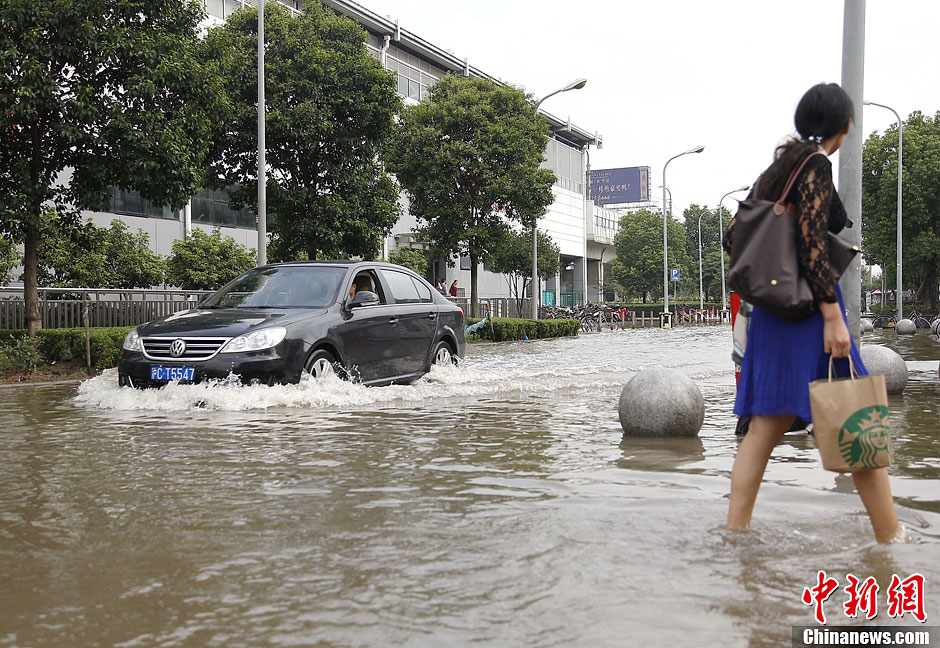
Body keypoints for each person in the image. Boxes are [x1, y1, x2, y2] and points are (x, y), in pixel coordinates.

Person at [723, 83, 900, 542]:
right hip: (809, 313)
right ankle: (891, 537)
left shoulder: (778, 167)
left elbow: (733, 236)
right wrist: (832, 316)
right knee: (857, 417)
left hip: (770, 313)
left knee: (765, 425)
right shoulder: (817, 165)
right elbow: (812, 245)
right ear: (844, 127)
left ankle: (735, 532)